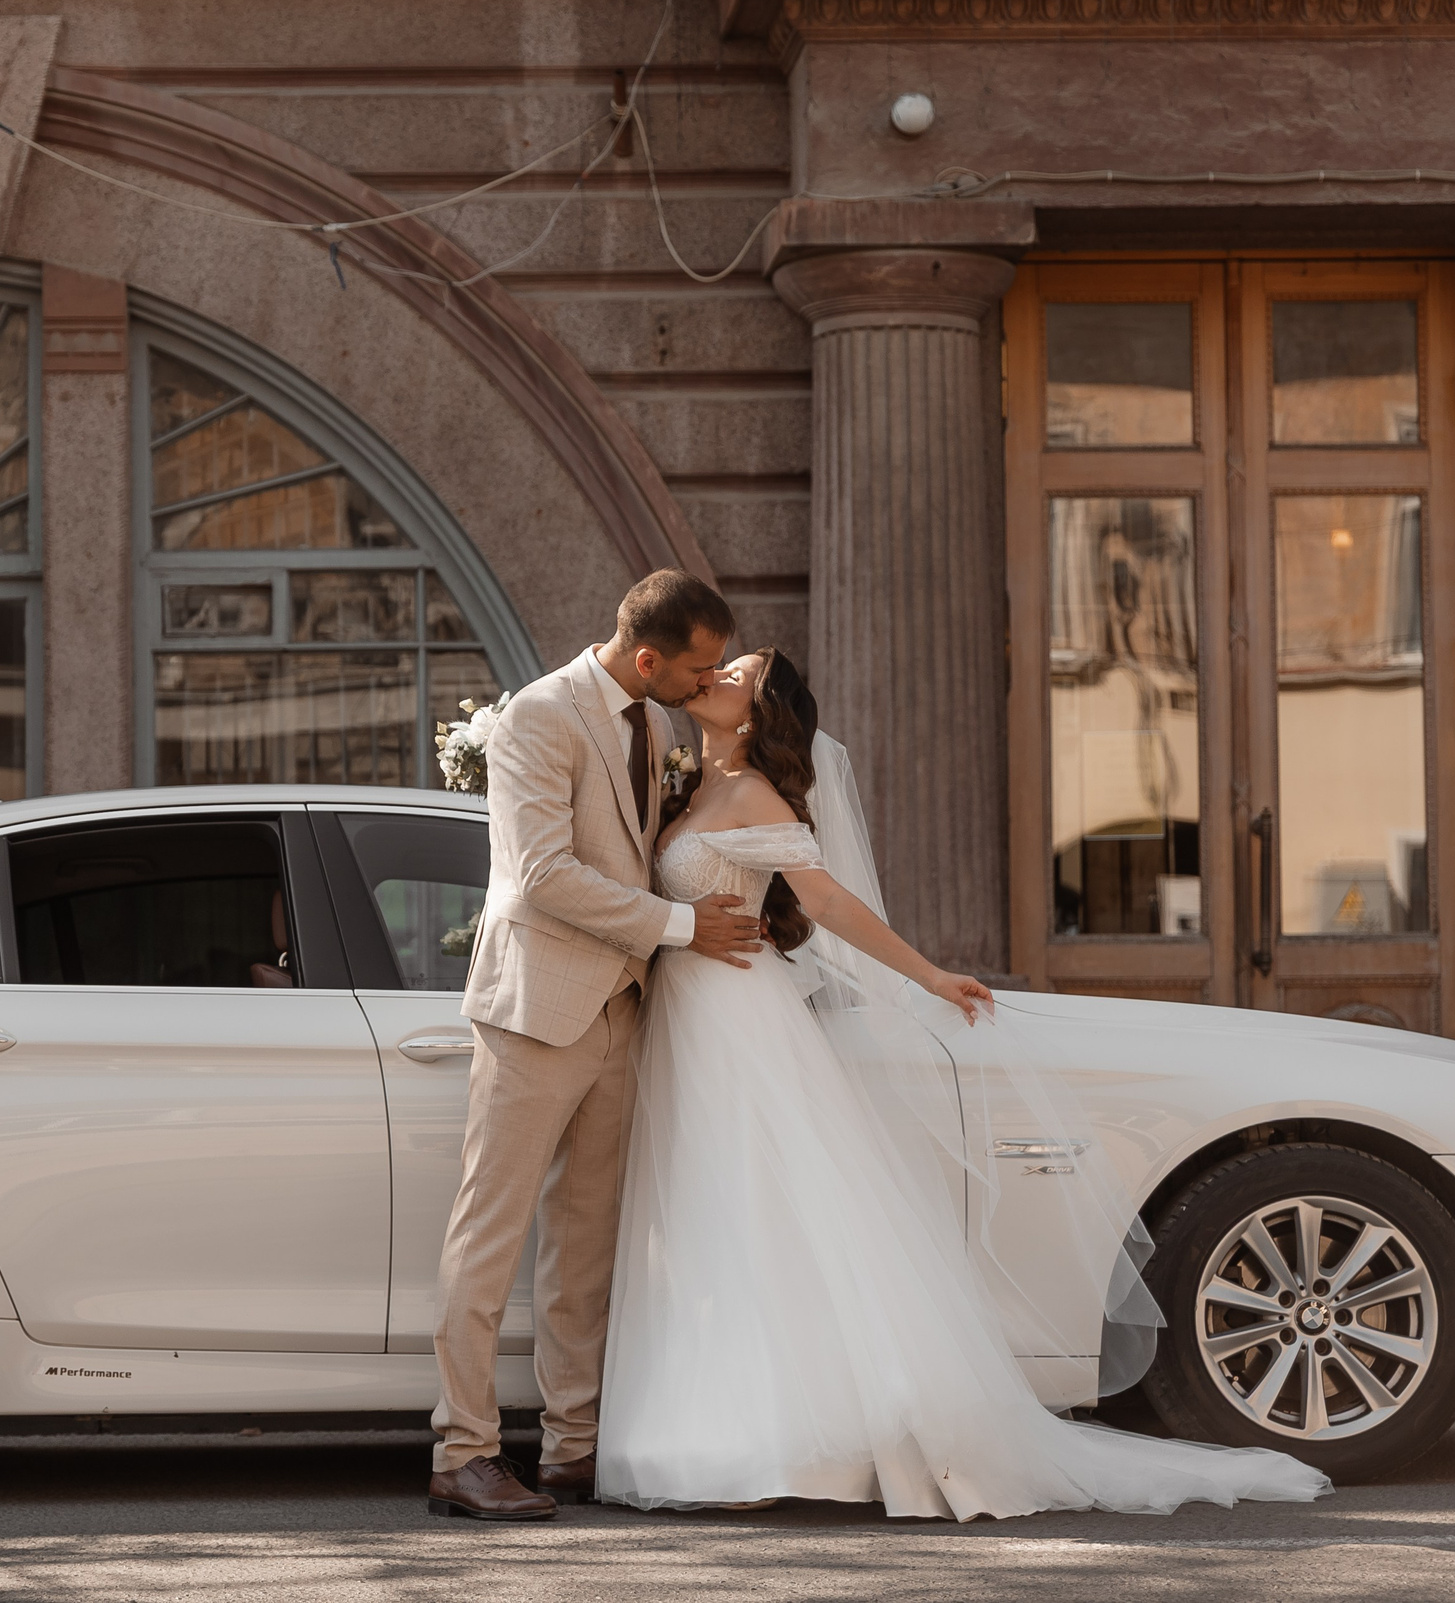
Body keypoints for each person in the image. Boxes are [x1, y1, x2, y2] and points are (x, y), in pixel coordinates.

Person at [594, 647, 1333, 1517]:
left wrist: (928, 975)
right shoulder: (684, 785)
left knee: (757, 1211)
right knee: (700, 1219)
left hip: (740, 1028)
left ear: (757, 714)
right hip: (685, 1024)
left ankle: (787, 1441)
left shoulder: (754, 792)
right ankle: (708, 1424)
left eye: (736, 675)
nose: (715, 675)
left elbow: (825, 903)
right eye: (717, 666)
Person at [425, 570, 767, 1521]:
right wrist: (683, 925)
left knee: (587, 1244)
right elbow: (541, 877)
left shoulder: (656, 725)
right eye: (695, 669)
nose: (705, 685)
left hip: (622, 1008)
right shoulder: (540, 715)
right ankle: (464, 1453)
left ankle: (574, 1447)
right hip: (536, 1008)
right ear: (648, 657)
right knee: (487, 1236)